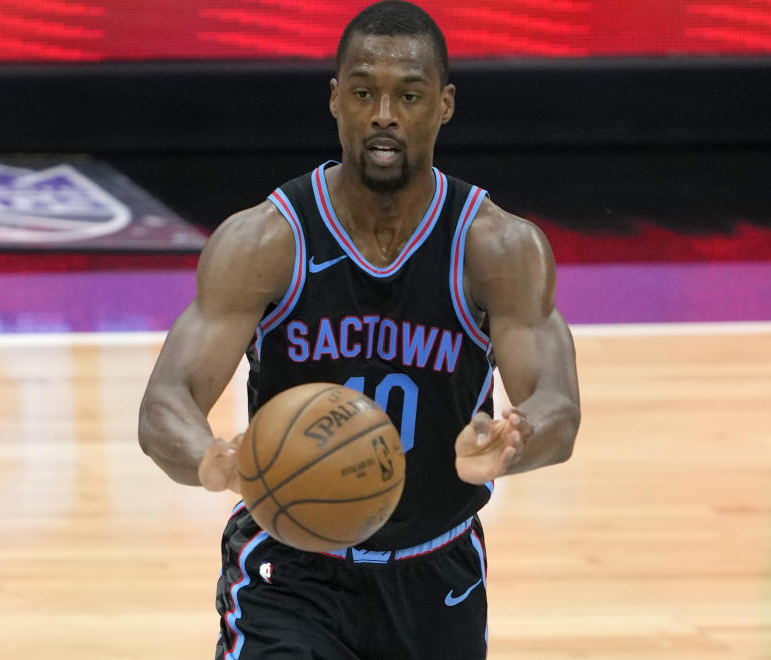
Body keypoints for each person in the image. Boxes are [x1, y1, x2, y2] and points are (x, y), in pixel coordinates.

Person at [138, 1, 581, 657]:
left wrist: (515, 439)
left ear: (445, 104)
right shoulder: (265, 241)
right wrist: (209, 459)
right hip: (289, 569)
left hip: (435, 572)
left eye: (409, 94)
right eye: (363, 91)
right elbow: (164, 403)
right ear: (335, 99)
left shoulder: (498, 248)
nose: (384, 114)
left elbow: (559, 407)